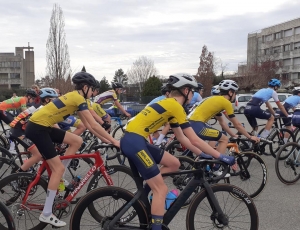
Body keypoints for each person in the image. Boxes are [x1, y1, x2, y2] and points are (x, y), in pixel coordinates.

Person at [121, 73, 235, 230]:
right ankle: (156, 225)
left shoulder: (171, 106)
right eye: (193, 91)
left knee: (174, 163)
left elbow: (182, 138)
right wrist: (220, 156)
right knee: (161, 189)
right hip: (134, 142)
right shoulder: (175, 106)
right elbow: (194, 139)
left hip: (134, 140)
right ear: (186, 90)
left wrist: (202, 154)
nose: (194, 94)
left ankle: (146, 194)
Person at [25, 71, 120, 227]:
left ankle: (60, 175)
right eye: (92, 89)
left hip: (42, 126)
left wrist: (105, 139)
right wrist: (115, 141)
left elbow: (88, 126)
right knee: (57, 169)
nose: (93, 92)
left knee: (76, 140)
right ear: (85, 87)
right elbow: (95, 125)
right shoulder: (78, 98)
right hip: (38, 128)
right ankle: (47, 213)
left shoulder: (76, 97)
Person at [187, 80, 259, 158]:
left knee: (214, 139)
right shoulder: (226, 102)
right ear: (231, 92)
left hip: (189, 125)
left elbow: (222, 123)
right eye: (235, 93)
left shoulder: (215, 100)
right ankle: (216, 167)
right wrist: (250, 137)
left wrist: (233, 135)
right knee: (224, 139)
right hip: (196, 125)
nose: (235, 95)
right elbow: (237, 124)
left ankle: (207, 162)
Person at [10, 88, 59, 172]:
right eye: (54, 99)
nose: (56, 102)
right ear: (47, 100)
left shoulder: (39, 105)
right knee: (38, 155)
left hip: (21, 129)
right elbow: (55, 125)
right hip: (18, 132)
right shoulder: (42, 108)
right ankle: (18, 175)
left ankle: (29, 166)